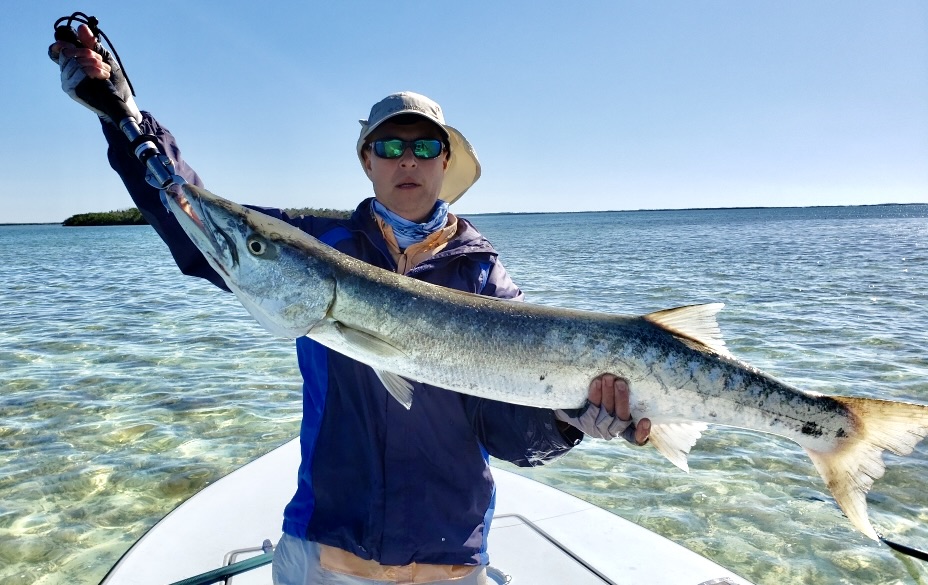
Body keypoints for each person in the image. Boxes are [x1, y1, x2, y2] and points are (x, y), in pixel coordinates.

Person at [50, 24, 650, 585]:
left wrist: (571, 418)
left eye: (424, 146)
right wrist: (123, 118)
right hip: (327, 550)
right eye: (389, 146)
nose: (406, 159)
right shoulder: (315, 244)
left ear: (445, 162)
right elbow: (196, 221)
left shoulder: (485, 276)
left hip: (450, 560)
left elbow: (510, 436)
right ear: (367, 160)